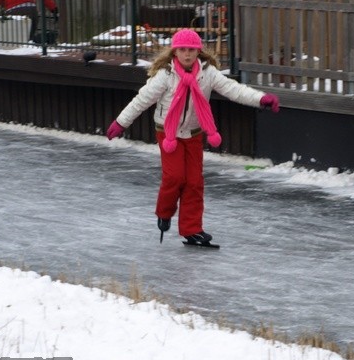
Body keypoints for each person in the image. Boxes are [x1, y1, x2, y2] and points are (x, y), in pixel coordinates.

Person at [106, 29, 280, 246]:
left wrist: (261, 99)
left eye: (191, 50)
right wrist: (121, 122)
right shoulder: (166, 75)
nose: (187, 54)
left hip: (194, 134)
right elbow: (141, 100)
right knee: (174, 177)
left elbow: (234, 89)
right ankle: (164, 212)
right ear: (175, 51)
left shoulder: (208, 74)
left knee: (194, 182)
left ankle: (192, 230)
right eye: (182, 50)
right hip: (168, 133)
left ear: (198, 51)